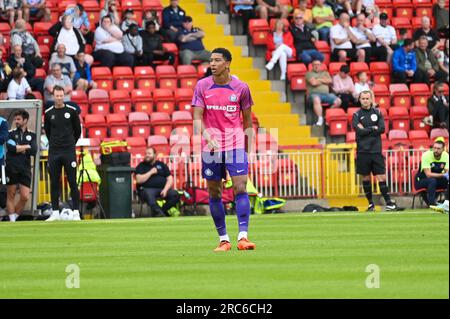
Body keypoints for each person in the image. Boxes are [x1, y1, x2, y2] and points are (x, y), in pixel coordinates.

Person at [192, 47, 256, 251]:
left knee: (240, 186)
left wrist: (248, 148)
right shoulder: (202, 86)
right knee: (214, 192)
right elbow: (196, 118)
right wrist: (207, 136)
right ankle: (224, 240)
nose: (212, 64)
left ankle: (243, 237)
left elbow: (247, 121)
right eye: (211, 60)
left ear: (227, 63)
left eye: (217, 60)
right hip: (211, 147)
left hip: (235, 143)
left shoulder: (241, 88)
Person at [352, 90, 399, 211]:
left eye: (367, 98)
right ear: (360, 100)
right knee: (366, 178)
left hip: (376, 151)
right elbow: (359, 131)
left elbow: (382, 129)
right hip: (363, 152)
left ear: (371, 99)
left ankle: (389, 203)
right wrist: (373, 128)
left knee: (381, 177)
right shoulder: (356, 115)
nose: (365, 101)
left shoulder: (378, 112)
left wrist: (367, 129)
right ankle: (370, 204)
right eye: (363, 98)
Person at [44, 85, 82, 221]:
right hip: (54, 152)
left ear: (64, 96)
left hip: (68, 151)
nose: (59, 98)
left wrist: (70, 143)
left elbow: (78, 131)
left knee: (72, 181)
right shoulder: (48, 113)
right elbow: (48, 132)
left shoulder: (71, 111)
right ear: (53, 96)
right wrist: (55, 144)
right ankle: (55, 212)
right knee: (54, 182)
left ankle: (76, 212)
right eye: (57, 96)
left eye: (61, 96)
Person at [5, 109, 37, 222]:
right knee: (11, 194)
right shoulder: (10, 133)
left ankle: (14, 217)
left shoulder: (32, 134)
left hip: (25, 168)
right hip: (11, 167)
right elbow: (11, 148)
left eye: (18, 119)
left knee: (25, 196)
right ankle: (12, 221)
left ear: (25, 120)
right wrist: (26, 147)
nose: (16, 121)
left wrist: (20, 148)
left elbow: (34, 150)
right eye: (15, 119)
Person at [135, 147, 180, 217]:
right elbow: (139, 180)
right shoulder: (141, 166)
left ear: (155, 155)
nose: (147, 155)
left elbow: (170, 178)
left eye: (149, 153)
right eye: (146, 153)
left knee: (175, 194)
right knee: (149, 194)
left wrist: (165, 189)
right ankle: (160, 213)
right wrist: (150, 172)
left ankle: (161, 211)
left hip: (162, 189)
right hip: (147, 189)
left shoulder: (162, 165)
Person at [306, 59, 342, 126]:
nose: (317, 66)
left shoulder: (325, 73)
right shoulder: (309, 73)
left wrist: (318, 80)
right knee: (316, 99)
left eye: (318, 65)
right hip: (313, 94)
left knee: (338, 101)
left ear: (321, 65)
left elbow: (330, 81)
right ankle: (320, 119)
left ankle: (326, 115)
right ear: (312, 66)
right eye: (315, 65)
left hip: (326, 94)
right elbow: (313, 83)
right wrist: (324, 80)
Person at [414, 138, 449, 207]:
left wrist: (447, 175)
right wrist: (444, 175)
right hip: (421, 180)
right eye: (434, 148)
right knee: (432, 180)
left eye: (438, 148)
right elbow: (428, 175)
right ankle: (432, 204)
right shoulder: (426, 155)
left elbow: (447, 172)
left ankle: (447, 203)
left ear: (443, 149)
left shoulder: (446, 156)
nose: (436, 150)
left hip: (436, 180)